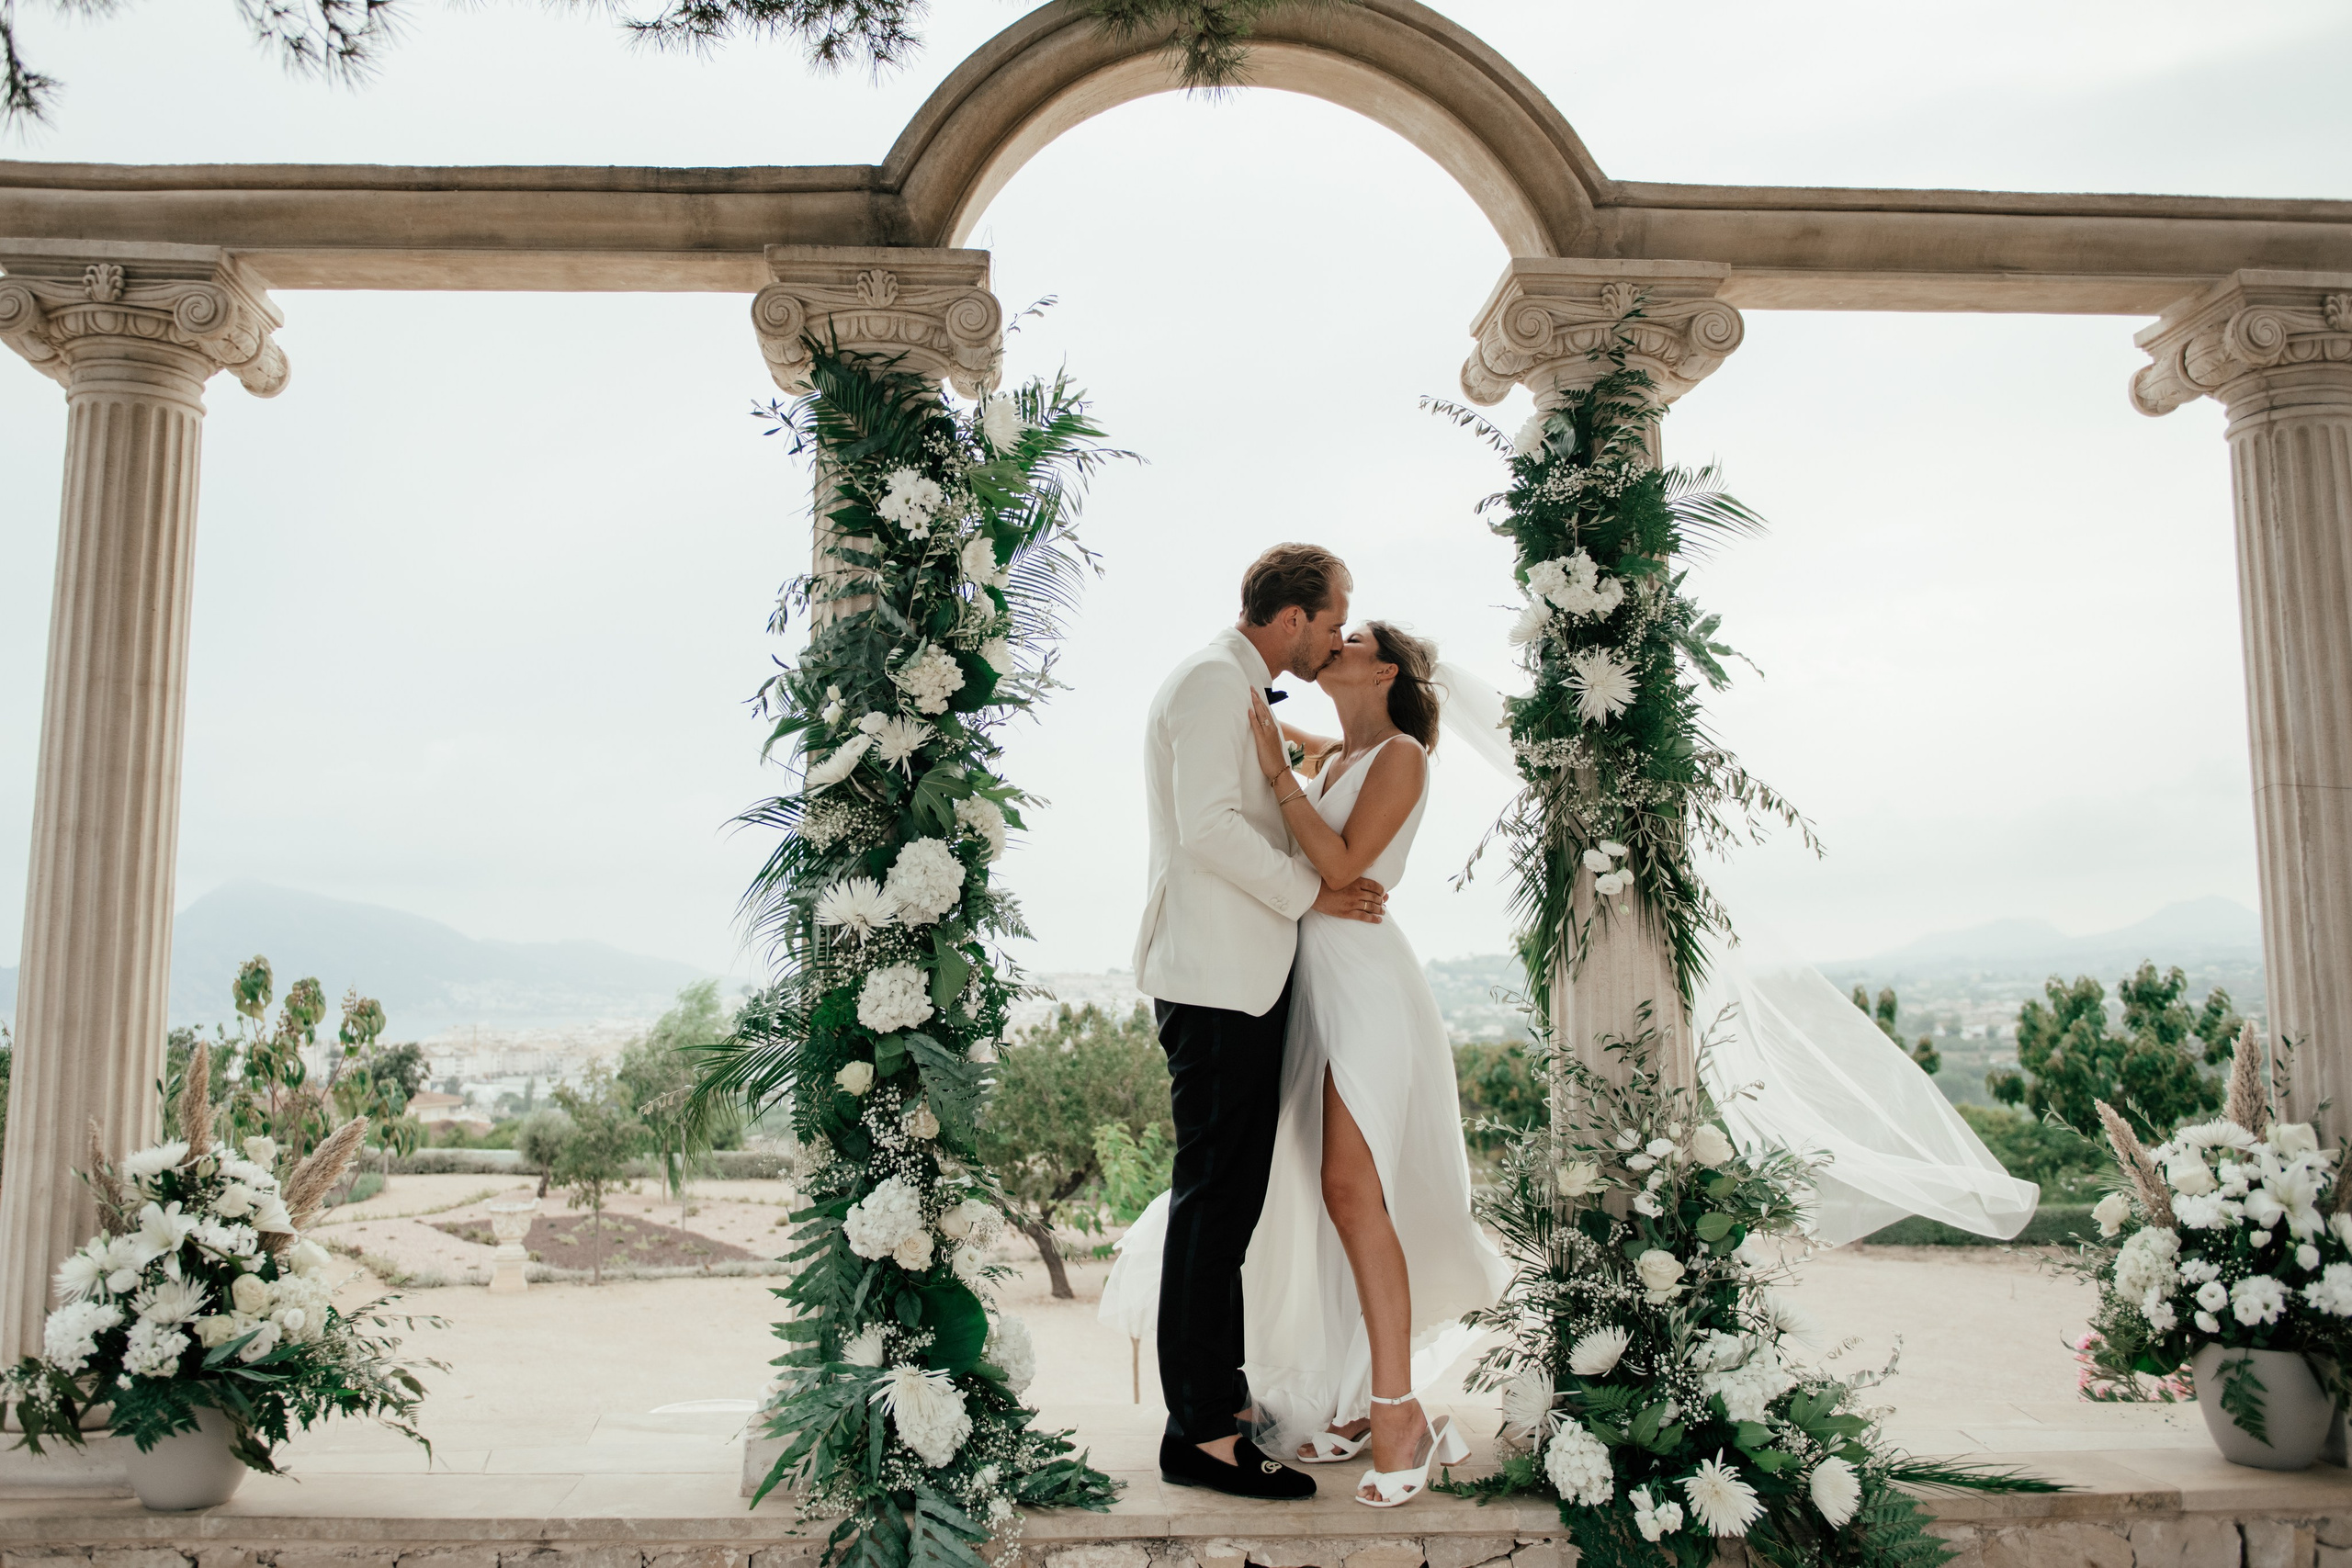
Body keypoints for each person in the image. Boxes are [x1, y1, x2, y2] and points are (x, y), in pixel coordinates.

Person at [1133, 543, 1390, 1501]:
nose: (1333, 636)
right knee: (1212, 1203)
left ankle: (1217, 1401)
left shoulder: (1232, 684)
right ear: (1292, 618)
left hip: (1238, 975)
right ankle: (1197, 1432)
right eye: (1332, 619)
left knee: (1226, 1202)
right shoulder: (1209, 681)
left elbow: (1244, 804)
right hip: (1213, 979)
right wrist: (1307, 895)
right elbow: (1206, 827)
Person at [1238, 621, 1509, 1508]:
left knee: (1356, 1191)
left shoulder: (1400, 755)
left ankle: (1399, 1413)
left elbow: (1345, 862)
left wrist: (1279, 772)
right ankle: (1360, 1397)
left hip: (1366, 992)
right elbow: (1316, 763)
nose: (1331, 641)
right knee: (1329, 1196)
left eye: (1347, 636)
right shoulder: (1342, 758)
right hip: (1316, 988)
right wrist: (1291, 751)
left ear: (1384, 668)